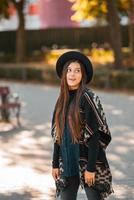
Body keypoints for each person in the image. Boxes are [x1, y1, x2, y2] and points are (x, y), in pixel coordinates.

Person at [51, 51, 113, 200]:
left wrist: (91, 168)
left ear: (82, 75)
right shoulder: (61, 100)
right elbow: (57, 135)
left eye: (77, 71)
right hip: (67, 161)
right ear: (64, 74)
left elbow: (95, 134)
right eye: (69, 70)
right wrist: (54, 163)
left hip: (87, 161)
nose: (72, 74)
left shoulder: (87, 96)